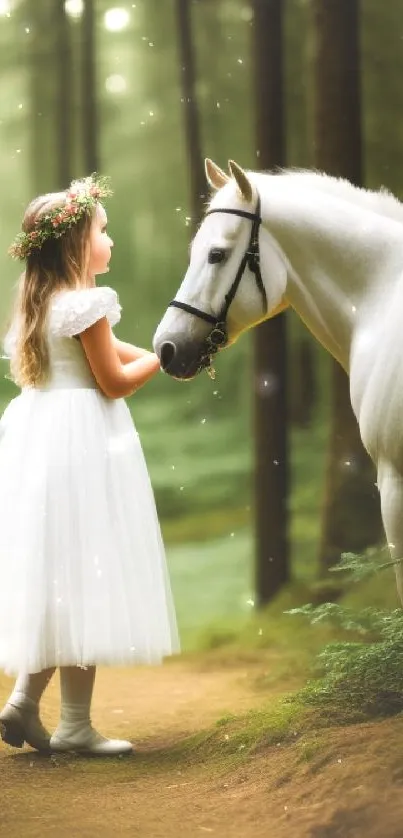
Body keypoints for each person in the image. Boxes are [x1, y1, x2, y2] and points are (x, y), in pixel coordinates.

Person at [0, 174, 179, 756]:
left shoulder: (42, 304)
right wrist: (167, 364)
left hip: (41, 439)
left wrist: (167, 350)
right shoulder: (88, 304)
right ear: (77, 244)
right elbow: (117, 379)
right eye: (103, 230)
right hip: (84, 443)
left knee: (60, 575)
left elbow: (126, 351)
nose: (112, 239)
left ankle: (24, 706)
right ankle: (74, 724)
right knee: (87, 571)